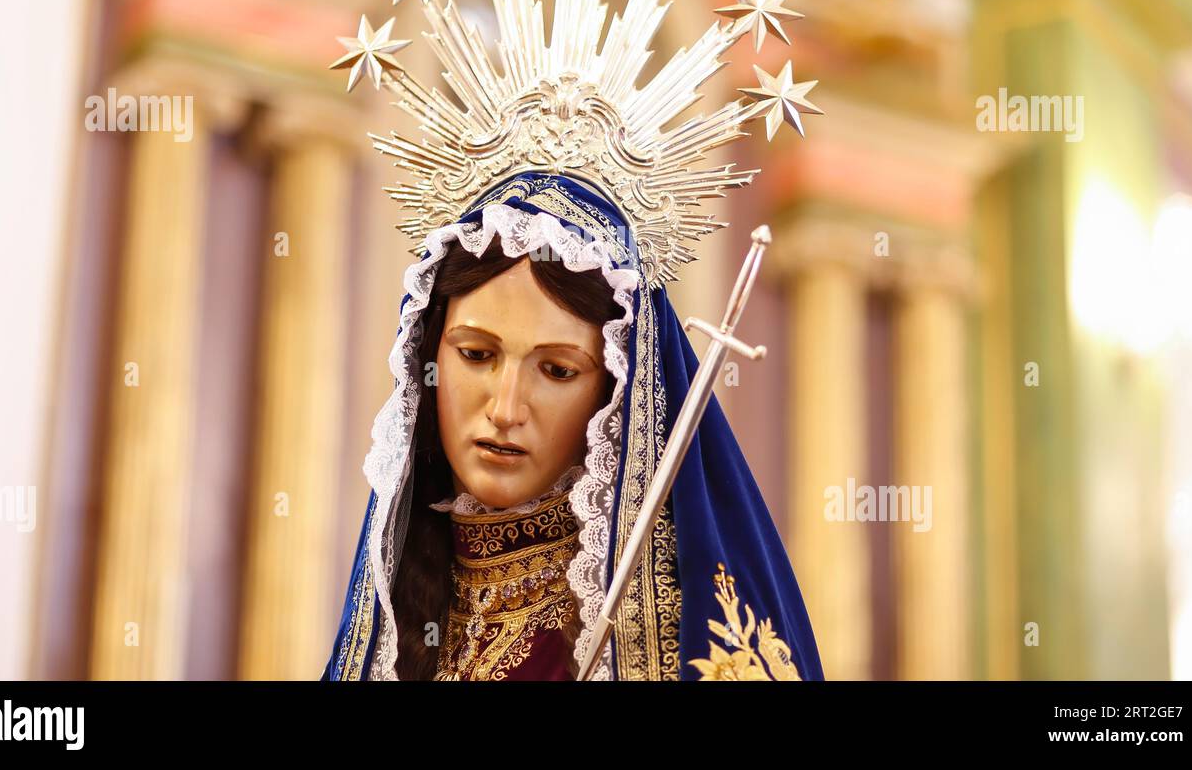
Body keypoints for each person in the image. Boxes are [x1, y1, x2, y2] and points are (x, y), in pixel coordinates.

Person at [322, 171, 824, 680]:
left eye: (558, 370)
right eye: (476, 354)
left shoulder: (648, 624)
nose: (505, 408)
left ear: (611, 393)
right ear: (428, 361)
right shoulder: (396, 614)